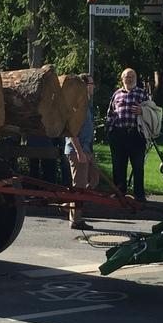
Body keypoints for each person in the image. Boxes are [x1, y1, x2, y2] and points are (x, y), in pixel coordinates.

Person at [106, 68, 150, 201]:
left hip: (136, 134)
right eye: (127, 76)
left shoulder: (142, 93)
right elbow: (110, 113)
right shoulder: (116, 94)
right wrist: (110, 131)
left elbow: (151, 110)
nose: (129, 79)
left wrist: (142, 111)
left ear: (136, 79)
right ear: (122, 79)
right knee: (118, 165)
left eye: (132, 76)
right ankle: (119, 193)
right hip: (119, 134)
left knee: (138, 166)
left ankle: (139, 195)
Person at [65, 74, 97, 229]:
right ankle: (76, 219)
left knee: (94, 179)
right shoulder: (77, 104)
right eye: (91, 83)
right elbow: (72, 131)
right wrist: (79, 152)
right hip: (77, 150)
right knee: (79, 185)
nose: (93, 86)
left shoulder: (86, 104)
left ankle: (68, 204)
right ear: (84, 86)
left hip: (86, 149)